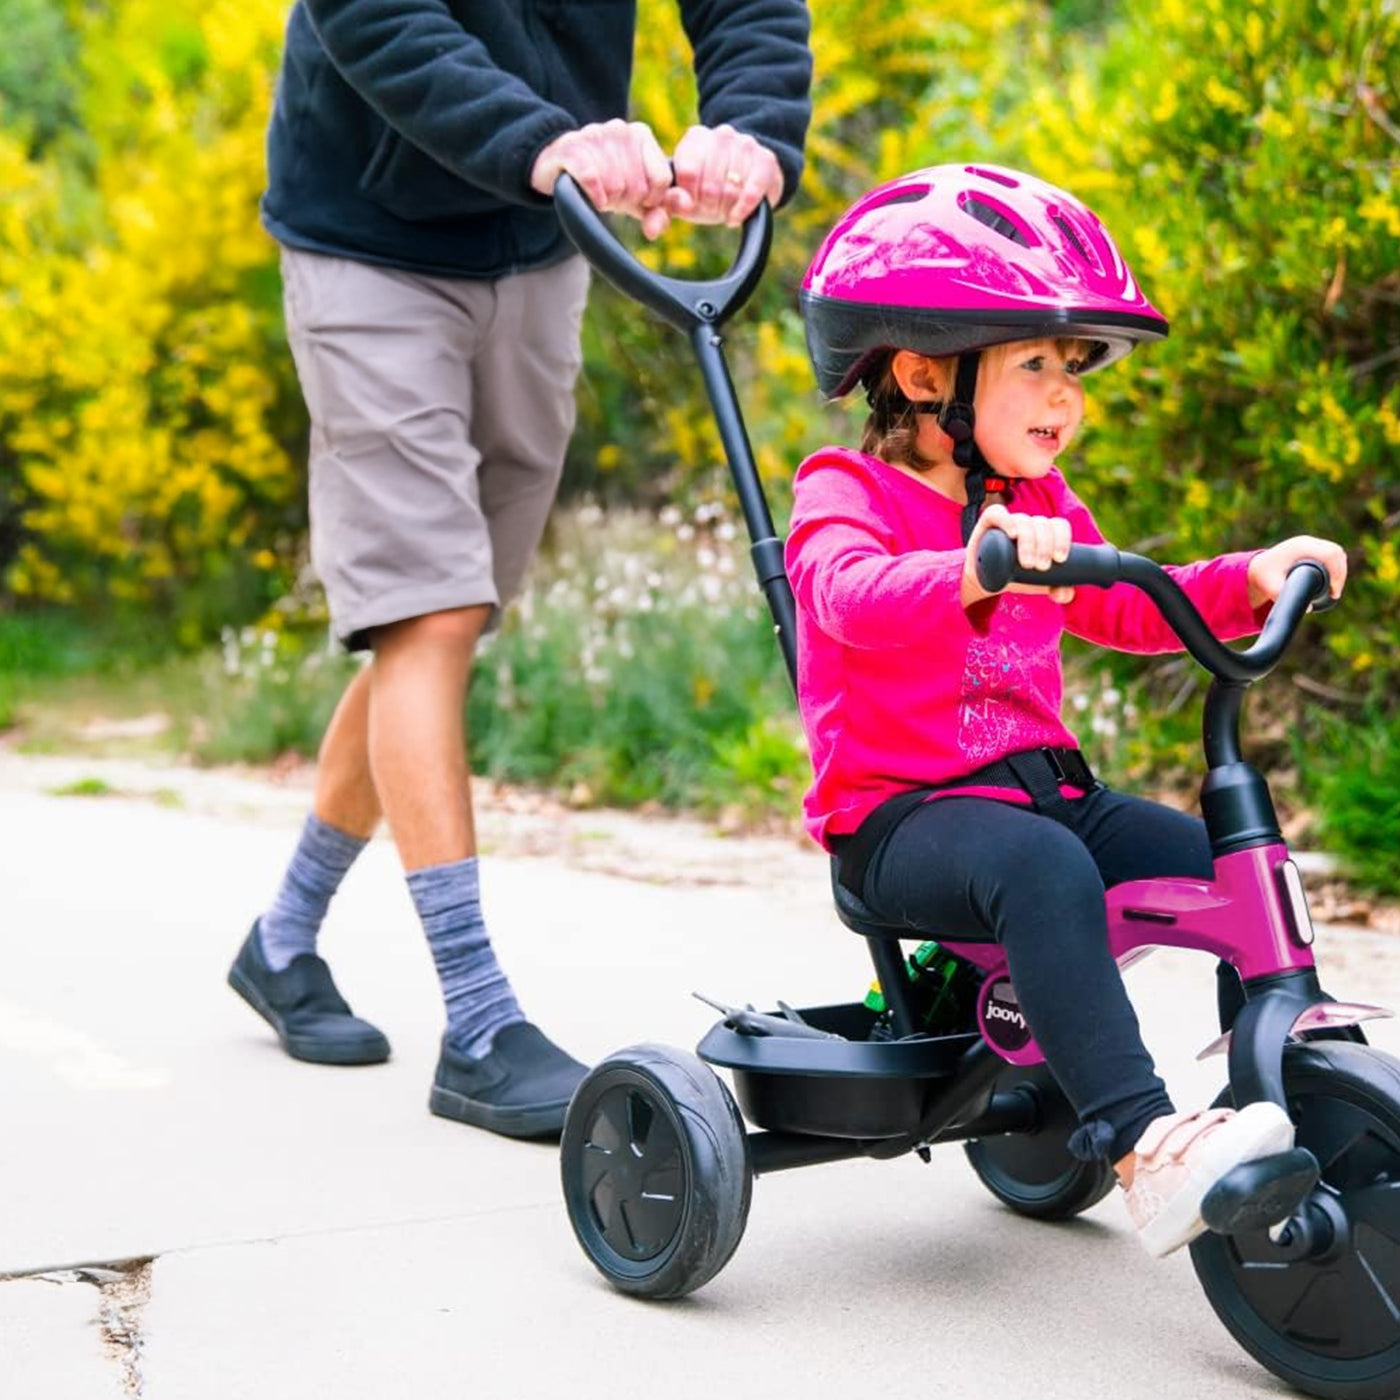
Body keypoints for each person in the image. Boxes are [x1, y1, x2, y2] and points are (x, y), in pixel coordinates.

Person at [227, 0, 812, 1139]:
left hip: (544, 238)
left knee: (444, 626)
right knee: (430, 611)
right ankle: (480, 1020)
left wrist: (750, 128)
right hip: (370, 238)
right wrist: (539, 139)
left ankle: (281, 937)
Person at [786, 163, 1348, 1258]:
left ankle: (1284, 1085)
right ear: (920, 368)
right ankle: (1143, 1147)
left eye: (1074, 367)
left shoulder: (1035, 503)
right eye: (1036, 363)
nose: (1066, 394)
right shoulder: (842, 492)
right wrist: (970, 568)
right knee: (1044, 871)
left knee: (1226, 861)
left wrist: (1249, 574)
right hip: (900, 822)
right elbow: (843, 598)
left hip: (1043, 793)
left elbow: (1133, 605)